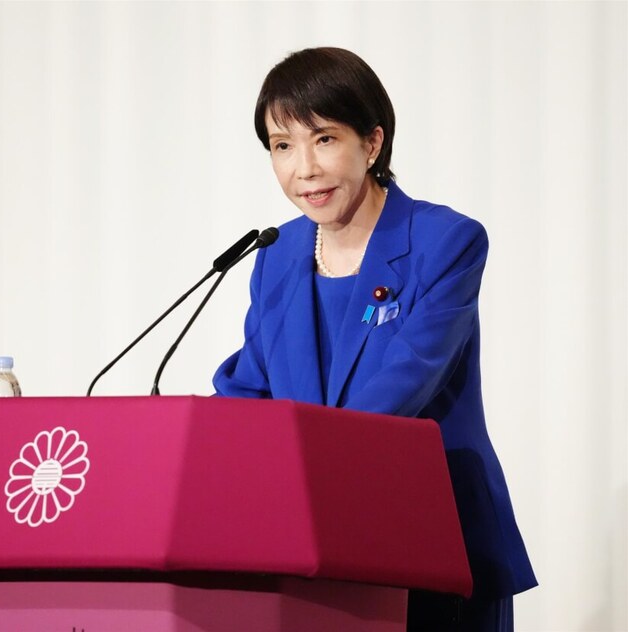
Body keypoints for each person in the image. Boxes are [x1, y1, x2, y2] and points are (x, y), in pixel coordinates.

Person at [213, 47, 537, 630]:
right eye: (282, 146)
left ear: (372, 143)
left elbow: (407, 379)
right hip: (310, 551)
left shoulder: (445, 241)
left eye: (324, 139)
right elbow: (249, 388)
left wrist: (297, 472)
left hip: (432, 539)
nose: (303, 168)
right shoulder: (277, 255)